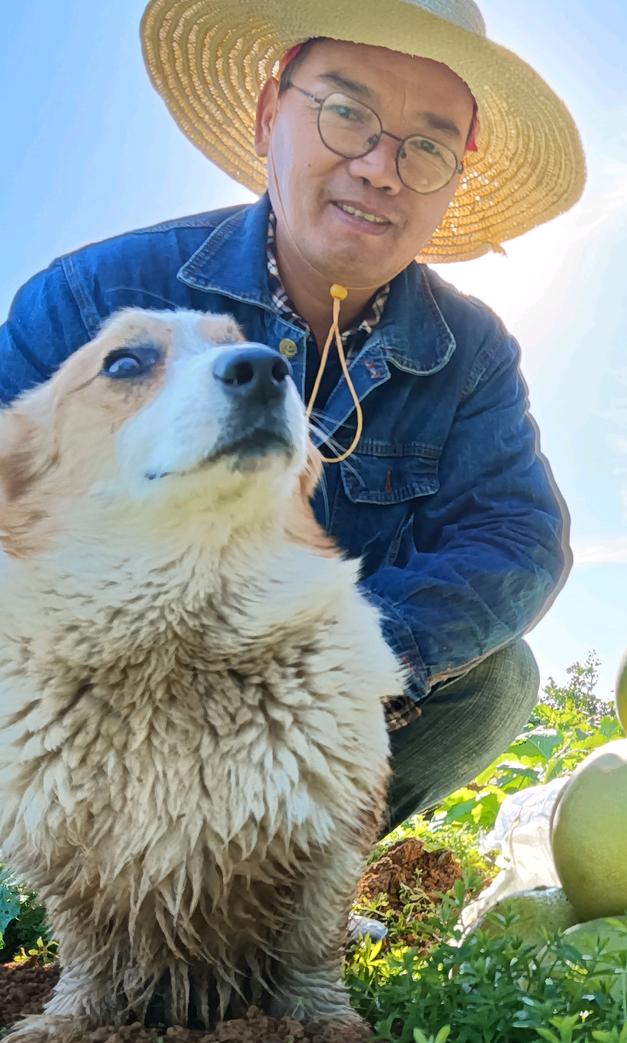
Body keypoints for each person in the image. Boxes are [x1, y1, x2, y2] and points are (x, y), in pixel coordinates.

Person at [0, 0, 585, 837]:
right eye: (347, 113)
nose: (382, 167)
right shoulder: (95, 297)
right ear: (272, 113)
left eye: (427, 146)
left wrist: (320, 654)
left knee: (496, 683)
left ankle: (279, 874)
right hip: (95, 694)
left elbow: (516, 535)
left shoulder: (472, 353)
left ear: (456, 176)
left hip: (305, 700)